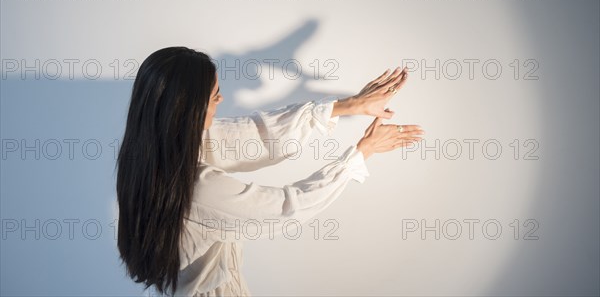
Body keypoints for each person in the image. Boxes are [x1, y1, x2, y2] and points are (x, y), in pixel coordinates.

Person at [115, 46, 424, 296]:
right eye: (214, 95)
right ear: (187, 108)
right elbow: (289, 207)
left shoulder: (149, 153)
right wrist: (363, 151)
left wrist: (350, 105)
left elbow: (257, 135)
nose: (221, 99)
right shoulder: (199, 190)